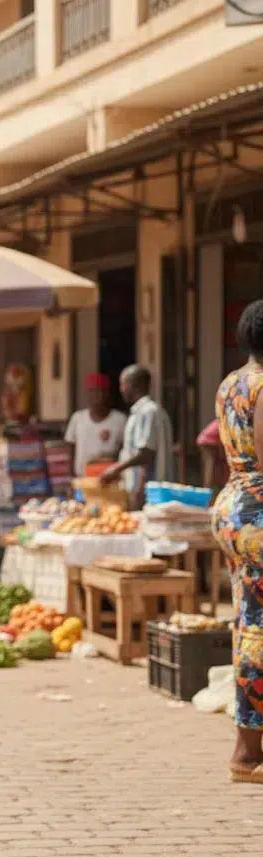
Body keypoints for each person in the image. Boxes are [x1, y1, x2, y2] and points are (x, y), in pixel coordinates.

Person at [211, 300, 263, 782]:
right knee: (257, 630)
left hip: (234, 509)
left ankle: (247, 751)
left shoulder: (230, 383)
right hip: (259, 512)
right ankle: (247, 755)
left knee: (249, 623)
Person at [100, 365, 174, 508]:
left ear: (132, 386)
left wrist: (116, 469)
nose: (121, 389)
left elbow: (145, 454)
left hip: (150, 492)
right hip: (148, 491)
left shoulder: (147, 412)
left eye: (123, 384)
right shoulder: (147, 411)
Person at [64, 372, 127, 476]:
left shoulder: (120, 419)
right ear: (87, 394)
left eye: (102, 391)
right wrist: (71, 478)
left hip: (110, 479)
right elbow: (70, 451)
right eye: (94, 391)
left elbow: (126, 451)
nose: (99, 396)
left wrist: (108, 457)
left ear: (108, 394)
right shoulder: (77, 418)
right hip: (83, 479)